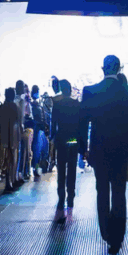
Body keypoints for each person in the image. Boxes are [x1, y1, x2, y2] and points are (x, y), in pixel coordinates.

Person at [78, 55, 128, 255]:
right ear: (119, 68)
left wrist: (83, 149)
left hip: (99, 150)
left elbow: (82, 123)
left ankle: (106, 232)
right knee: (119, 193)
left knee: (102, 192)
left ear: (103, 69)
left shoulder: (90, 91)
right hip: (123, 151)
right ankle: (117, 237)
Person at [50, 79, 80, 219]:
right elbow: (80, 124)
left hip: (61, 139)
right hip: (73, 139)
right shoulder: (76, 104)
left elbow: (53, 124)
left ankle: (61, 197)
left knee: (61, 169)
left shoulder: (57, 104)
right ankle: (71, 197)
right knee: (72, 168)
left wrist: (52, 138)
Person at [0, 87, 22, 192]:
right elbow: (19, 122)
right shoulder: (15, 107)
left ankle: (7, 181)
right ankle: (12, 180)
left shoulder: (1, 107)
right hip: (14, 136)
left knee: (5, 160)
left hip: (3, 137)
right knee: (13, 159)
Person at [30, 84, 48, 179]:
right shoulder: (31, 104)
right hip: (36, 130)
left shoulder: (39, 104)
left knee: (43, 149)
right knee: (36, 151)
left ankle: (40, 166)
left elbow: (43, 116)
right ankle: (35, 168)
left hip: (41, 130)